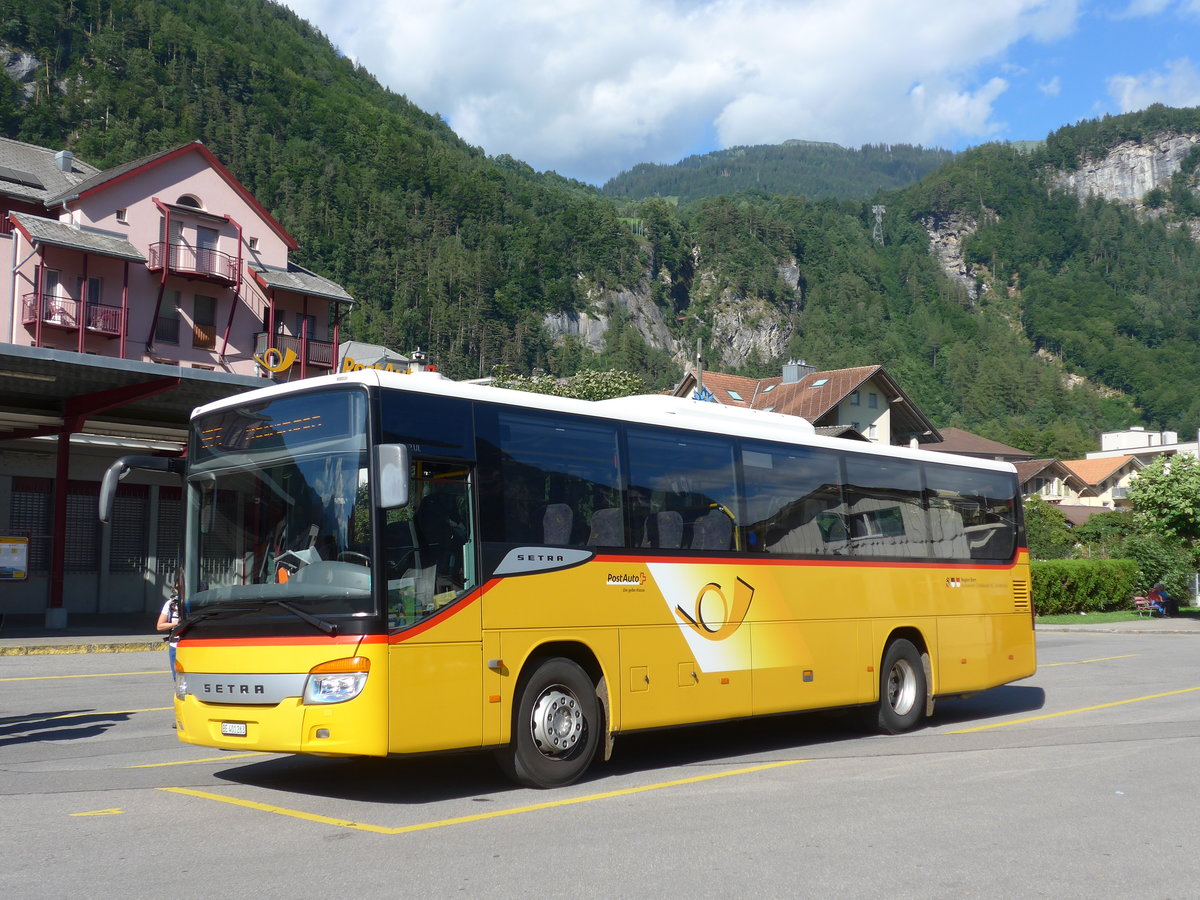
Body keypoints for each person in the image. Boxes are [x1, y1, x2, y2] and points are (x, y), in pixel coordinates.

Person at [156, 570, 183, 679]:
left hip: (192, 645)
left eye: (181, 589)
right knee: (177, 679)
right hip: (175, 646)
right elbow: (160, 626)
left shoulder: (198, 604)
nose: (179, 592)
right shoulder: (170, 605)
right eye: (177, 589)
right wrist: (175, 623)